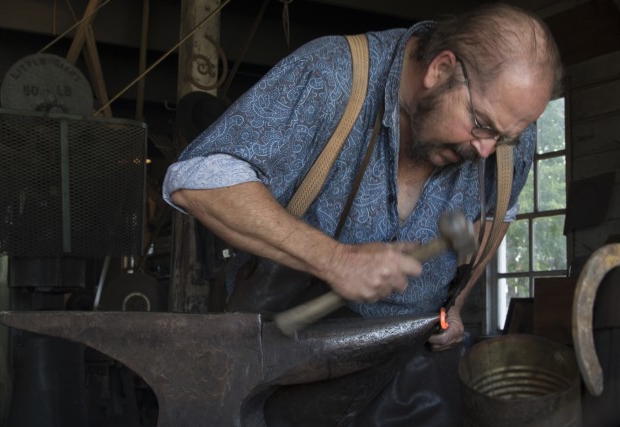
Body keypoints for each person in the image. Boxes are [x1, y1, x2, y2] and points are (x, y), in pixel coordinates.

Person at [163, 2, 562, 425]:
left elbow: (503, 207)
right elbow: (199, 178)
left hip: (413, 366)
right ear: (441, 69)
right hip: (288, 361)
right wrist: (333, 259)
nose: (486, 149)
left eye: (505, 137)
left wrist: (458, 304)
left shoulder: (506, 134)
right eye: (480, 124)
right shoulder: (332, 75)